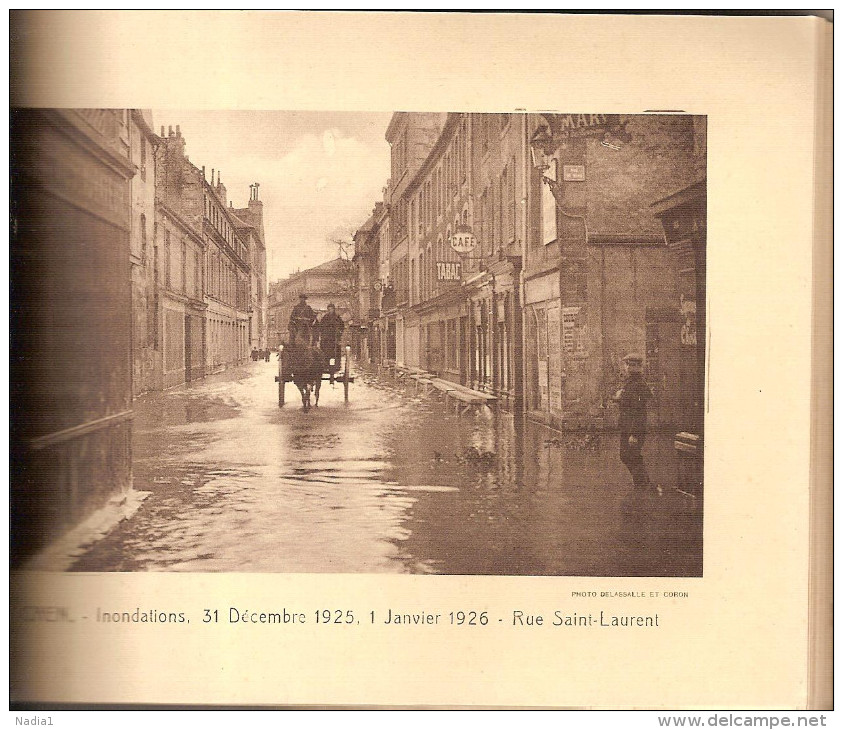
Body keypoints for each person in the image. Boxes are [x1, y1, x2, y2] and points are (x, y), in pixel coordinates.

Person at [612, 353, 655, 492]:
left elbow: (639, 411)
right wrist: (618, 398)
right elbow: (629, 403)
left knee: (630, 456)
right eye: (627, 364)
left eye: (628, 365)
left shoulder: (638, 385)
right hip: (627, 426)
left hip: (633, 428)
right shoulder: (631, 383)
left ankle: (643, 486)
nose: (626, 368)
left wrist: (634, 434)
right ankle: (643, 484)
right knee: (628, 456)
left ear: (635, 367)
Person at [319, 303, 345, 384]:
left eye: (331, 309)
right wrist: (323, 333)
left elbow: (342, 326)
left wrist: (339, 332)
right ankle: (324, 365)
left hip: (334, 338)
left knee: (337, 350)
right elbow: (321, 327)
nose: (330, 310)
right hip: (326, 339)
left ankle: (337, 365)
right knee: (323, 350)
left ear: (334, 309)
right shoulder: (325, 317)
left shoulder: (337, 318)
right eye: (329, 309)